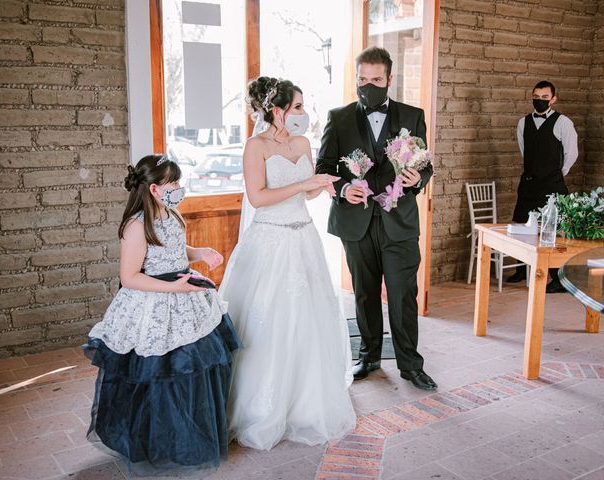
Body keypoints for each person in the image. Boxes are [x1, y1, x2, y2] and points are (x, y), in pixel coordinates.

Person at [220, 77, 356, 451]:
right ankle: (263, 406)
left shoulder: (302, 143)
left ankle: (305, 403)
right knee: (270, 322)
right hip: (270, 242)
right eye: (297, 106)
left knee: (308, 321)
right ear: (276, 110)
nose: (302, 112)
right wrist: (302, 185)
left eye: (303, 105)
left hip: (303, 239)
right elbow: (258, 198)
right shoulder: (255, 147)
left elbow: (307, 190)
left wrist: (322, 185)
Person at [83, 154, 241, 476]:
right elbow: (130, 277)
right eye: (175, 183)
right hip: (156, 299)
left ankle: (189, 435)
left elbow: (173, 248)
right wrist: (176, 289)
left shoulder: (171, 214)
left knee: (194, 370)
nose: (179, 188)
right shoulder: (136, 225)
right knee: (161, 374)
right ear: (155, 189)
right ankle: (158, 440)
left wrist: (199, 254)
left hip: (184, 292)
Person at [316, 46, 436, 391]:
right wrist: (342, 190)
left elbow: (423, 163)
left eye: (376, 79)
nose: (368, 85)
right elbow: (324, 167)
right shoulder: (338, 117)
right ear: (356, 79)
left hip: (399, 222)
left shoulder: (412, 115)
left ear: (389, 80)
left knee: (402, 295)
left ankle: (411, 365)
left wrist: (419, 179)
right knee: (365, 294)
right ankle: (368, 356)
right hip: (357, 222)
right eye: (362, 79)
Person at [507, 80, 578, 293]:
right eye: (536, 97)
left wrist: (556, 174)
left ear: (553, 99)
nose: (539, 101)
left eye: (544, 98)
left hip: (552, 184)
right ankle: (522, 269)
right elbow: (524, 149)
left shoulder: (563, 122)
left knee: (552, 230)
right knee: (521, 224)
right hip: (529, 182)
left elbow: (571, 153)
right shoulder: (523, 122)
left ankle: (558, 278)